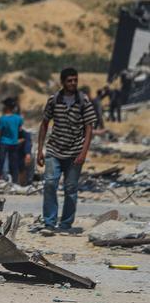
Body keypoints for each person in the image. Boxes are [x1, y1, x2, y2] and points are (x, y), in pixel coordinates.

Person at [37, 68, 97, 233]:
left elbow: (89, 128)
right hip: (54, 149)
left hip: (75, 152)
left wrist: (84, 152)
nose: (73, 83)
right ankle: (49, 222)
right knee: (50, 184)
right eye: (70, 80)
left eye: (75, 80)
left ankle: (65, 224)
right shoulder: (54, 100)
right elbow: (44, 124)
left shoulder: (83, 100)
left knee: (71, 189)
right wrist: (39, 150)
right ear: (62, 82)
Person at [0, 99, 25, 182]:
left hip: (4, 142)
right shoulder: (19, 118)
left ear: (7, 107)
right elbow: (20, 130)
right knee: (14, 163)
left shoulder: (2, 119)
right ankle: (15, 182)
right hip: (14, 143)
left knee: (1, 162)